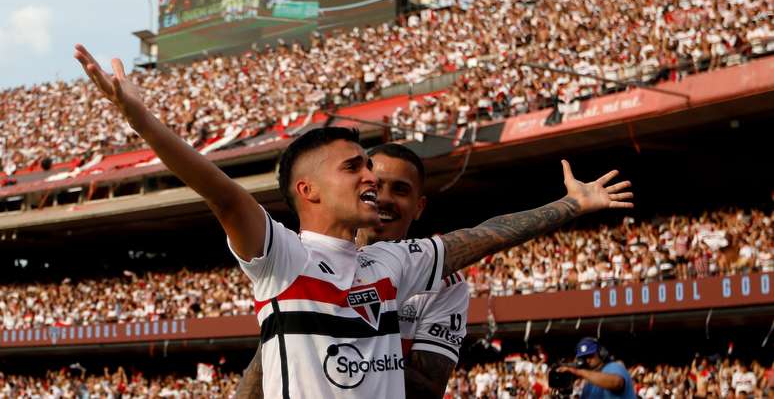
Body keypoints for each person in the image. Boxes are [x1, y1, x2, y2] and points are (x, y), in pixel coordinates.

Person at [74, 44, 633, 399]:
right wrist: (143, 121)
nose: (370, 176)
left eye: (372, 166)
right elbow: (220, 193)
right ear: (307, 189)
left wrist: (572, 206)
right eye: (355, 167)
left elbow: (481, 236)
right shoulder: (282, 257)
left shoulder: (393, 262)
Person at [236, 143, 469, 399]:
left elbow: (425, 387)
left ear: (419, 207)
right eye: (375, 186)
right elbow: (269, 360)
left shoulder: (445, 282)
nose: (385, 198)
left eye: (400, 190)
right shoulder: (303, 261)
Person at [558, 337, 636, 399]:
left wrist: (579, 372)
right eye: (583, 358)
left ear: (601, 353)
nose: (587, 360)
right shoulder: (589, 382)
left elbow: (617, 383)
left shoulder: (614, 366)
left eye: (590, 355)